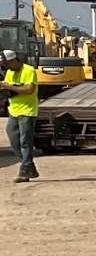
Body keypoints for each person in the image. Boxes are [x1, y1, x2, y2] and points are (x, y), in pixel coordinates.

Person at [3, 48, 41, 183]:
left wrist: (10, 87)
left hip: (27, 111)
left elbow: (29, 90)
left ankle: (25, 171)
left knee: (25, 141)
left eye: (6, 64)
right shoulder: (9, 72)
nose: (5, 67)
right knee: (13, 140)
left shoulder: (29, 70)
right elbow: (9, 89)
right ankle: (28, 165)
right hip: (14, 110)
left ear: (13, 60)